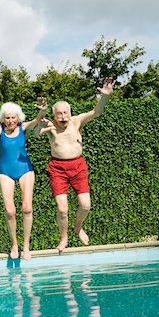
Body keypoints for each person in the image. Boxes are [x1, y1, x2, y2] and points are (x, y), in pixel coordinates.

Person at [34, 77, 115, 253]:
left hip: (78, 166)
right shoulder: (51, 127)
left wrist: (105, 96)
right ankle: (64, 237)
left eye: (65, 113)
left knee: (85, 205)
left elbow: (96, 112)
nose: (63, 117)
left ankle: (78, 227)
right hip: (58, 168)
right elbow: (35, 133)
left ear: (70, 113)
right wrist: (41, 117)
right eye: (59, 114)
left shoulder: (77, 121)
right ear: (54, 115)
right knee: (62, 209)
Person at [0, 98, 47, 260]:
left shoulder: (23, 127)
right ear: (2, 119)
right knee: (10, 211)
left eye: (13, 117)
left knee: (27, 208)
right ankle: (14, 244)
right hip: (5, 172)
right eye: (7, 118)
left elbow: (38, 120)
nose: (11, 121)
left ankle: (26, 246)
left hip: (25, 170)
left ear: (18, 118)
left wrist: (43, 109)